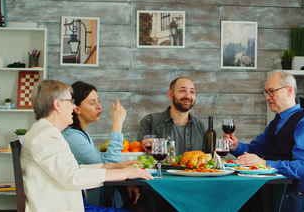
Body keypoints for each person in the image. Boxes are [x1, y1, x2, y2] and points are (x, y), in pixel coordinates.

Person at [21, 80, 153, 211]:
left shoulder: (45, 133)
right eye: (71, 101)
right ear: (57, 104)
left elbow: (73, 169)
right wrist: (124, 173)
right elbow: (73, 176)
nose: (73, 107)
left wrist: (115, 167)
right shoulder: (44, 137)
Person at [225, 71, 304, 212]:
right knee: (229, 200)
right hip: (268, 191)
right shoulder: (275, 122)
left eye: (272, 91)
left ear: (289, 90)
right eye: (266, 92)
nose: (267, 97)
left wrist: (265, 164)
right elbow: (254, 151)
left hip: (289, 197)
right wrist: (235, 146)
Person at [62, 81, 140, 209]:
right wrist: (117, 125)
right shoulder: (72, 136)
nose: (99, 106)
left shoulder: (81, 134)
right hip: (85, 205)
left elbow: (103, 165)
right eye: (92, 103)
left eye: (98, 101)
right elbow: (109, 164)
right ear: (76, 108)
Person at [138, 77, 206, 156]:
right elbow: (138, 153)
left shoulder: (202, 126)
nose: (188, 96)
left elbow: (210, 159)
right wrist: (144, 147)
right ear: (170, 94)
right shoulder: (150, 121)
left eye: (192, 92)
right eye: (182, 91)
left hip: (192, 169)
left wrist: (223, 144)